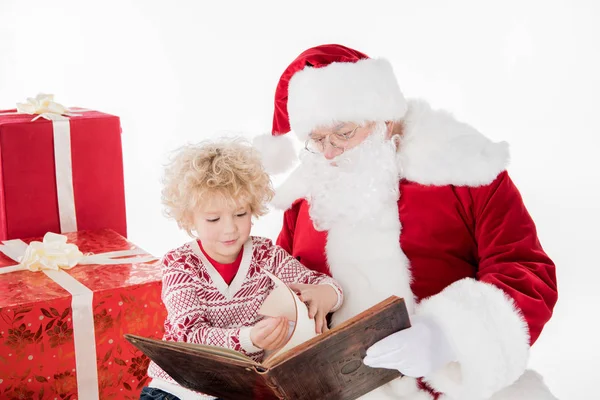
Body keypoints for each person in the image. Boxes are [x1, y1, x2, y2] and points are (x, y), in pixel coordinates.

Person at [253, 44, 558, 399]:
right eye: (318, 140)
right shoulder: (304, 201)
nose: (331, 152)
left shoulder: (465, 171)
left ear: (386, 118)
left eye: (344, 132)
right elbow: (279, 285)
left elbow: (526, 272)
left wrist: (447, 337)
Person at [142, 139, 343, 400]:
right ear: (189, 218)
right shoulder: (180, 265)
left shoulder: (265, 255)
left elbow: (317, 282)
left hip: (238, 390)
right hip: (178, 390)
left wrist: (327, 294)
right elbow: (189, 336)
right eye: (214, 218)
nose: (230, 229)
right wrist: (250, 339)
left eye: (240, 214)